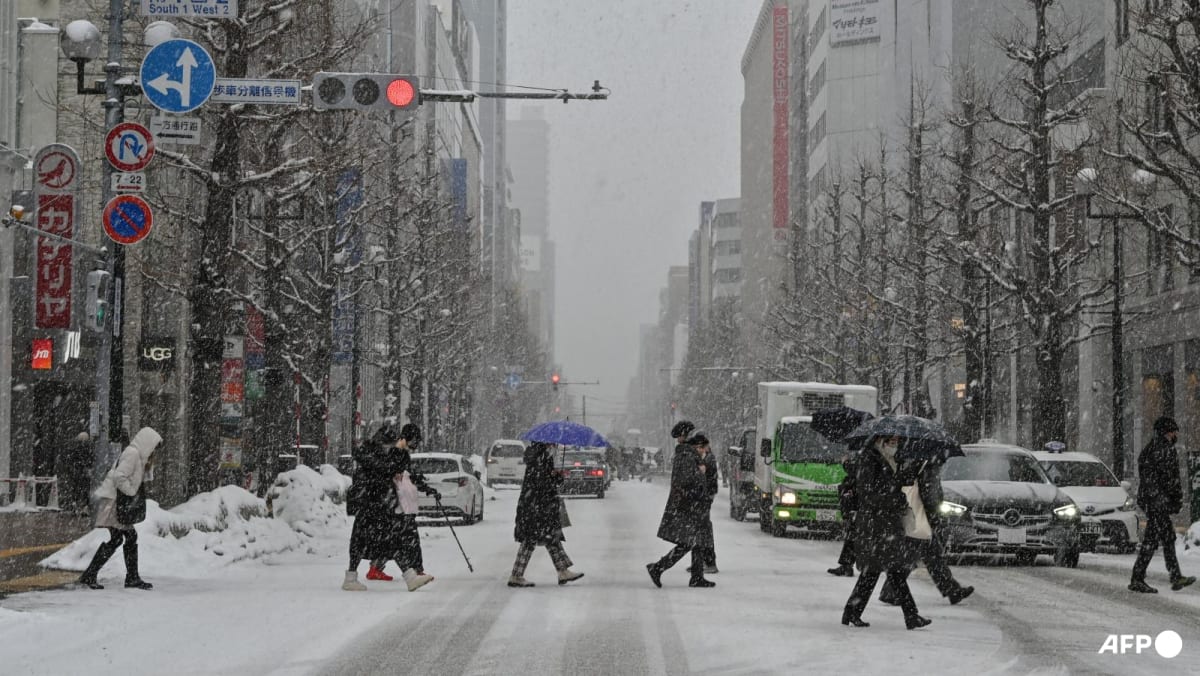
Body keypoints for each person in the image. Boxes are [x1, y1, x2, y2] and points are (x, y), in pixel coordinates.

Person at [840, 435, 931, 629]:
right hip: (876, 525)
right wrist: (895, 500)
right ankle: (910, 616)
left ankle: (852, 612)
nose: (894, 446)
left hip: (885, 525)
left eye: (896, 442)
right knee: (888, 571)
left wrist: (915, 467)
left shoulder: (889, 460)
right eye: (891, 442)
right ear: (880, 442)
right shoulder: (870, 460)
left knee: (878, 572)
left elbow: (896, 482)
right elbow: (869, 494)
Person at [343, 422, 438, 591]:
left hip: (374, 505)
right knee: (387, 540)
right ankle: (409, 577)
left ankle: (352, 577)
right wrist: (392, 470)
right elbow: (379, 473)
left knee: (369, 541)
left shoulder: (375, 455)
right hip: (373, 504)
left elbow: (389, 471)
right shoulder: (371, 456)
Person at [879, 459, 974, 605]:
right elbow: (930, 496)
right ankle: (890, 591)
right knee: (913, 556)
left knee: (932, 555)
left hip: (916, 515)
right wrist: (935, 516)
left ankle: (952, 591)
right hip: (922, 518)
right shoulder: (929, 467)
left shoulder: (916, 463)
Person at [78, 427, 162, 590]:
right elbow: (119, 477)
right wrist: (131, 491)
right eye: (154, 447)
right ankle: (126, 577)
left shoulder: (138, 457)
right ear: (147, 443)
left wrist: (148, 466)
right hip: (113, 501)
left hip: (115, 501)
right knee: (125, 537)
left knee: (122, 538)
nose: (154, 452)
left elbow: (141, 478)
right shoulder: (132, 454)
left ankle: (95, 575)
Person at [1129, 416, 1196, 593]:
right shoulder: (1163, 450)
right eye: (1173, 431)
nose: (1175, 434)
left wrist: (1162, 498)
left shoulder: (1153, 448)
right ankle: (1138, 578)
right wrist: (1170, 499)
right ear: (1167, 432)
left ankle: (1174, 576)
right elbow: (1170, 479)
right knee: (1152, 540)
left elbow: (1153, 476)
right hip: (1157, 503)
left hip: (1155, 501)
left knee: (1167, 538)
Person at [647, 421, 715, 588]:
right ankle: (658, 567)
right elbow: (686, 482)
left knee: (697, 541)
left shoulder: (690, 455)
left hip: (693, 506)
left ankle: (696, 576)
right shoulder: (686, 455)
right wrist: (699, 483)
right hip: (687, 506)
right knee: (688, 542)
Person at [508, 442, 585, 587]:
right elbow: (543, 484)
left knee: (550, 538)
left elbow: (540, 481)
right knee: (532, 540)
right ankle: (516, 575)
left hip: (533, 506)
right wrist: (554, 477)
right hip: (539, 507)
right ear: (547, 444)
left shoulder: (537, 456)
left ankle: (563, 571)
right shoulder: (542, 458)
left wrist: (555, 476)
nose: (555, 446)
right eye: (553, 444)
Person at [687, 432, 719, 575]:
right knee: (701, 530)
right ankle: (700, 562)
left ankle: (709, 562)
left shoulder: (708, 459)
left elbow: (707, 479)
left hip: (704, 498)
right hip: (703, 498)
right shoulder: (705, 458)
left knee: (704, 530)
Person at [828, 452, 859, 577]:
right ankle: (846, 565)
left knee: (854, 536)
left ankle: (848, 565)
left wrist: (846, 462)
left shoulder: (871, 454)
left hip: (861, 504)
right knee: (852, 536)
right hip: (857, 504)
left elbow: (857, 471)